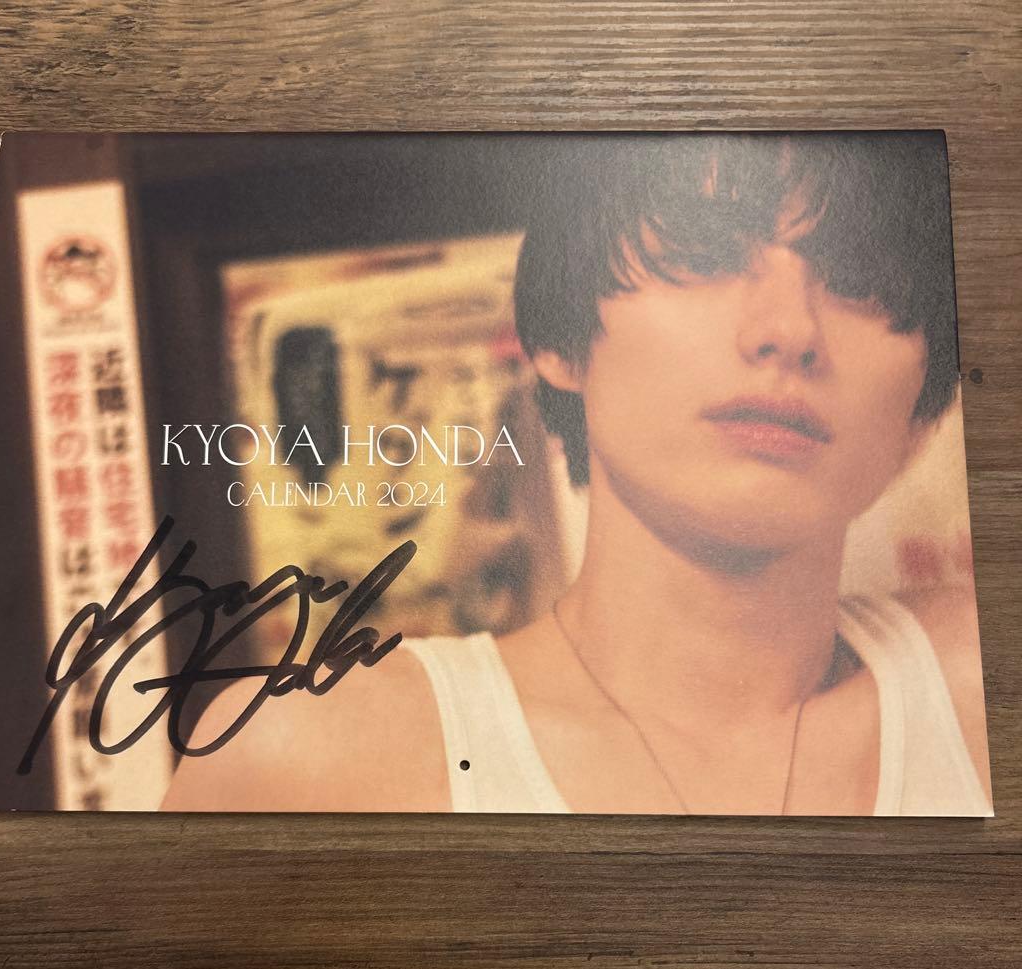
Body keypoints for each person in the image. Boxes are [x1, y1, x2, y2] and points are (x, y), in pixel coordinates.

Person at [161, 133, 993, 815]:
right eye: (705, 252)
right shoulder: (315, 761)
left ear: (924, 412)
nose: (788, 330)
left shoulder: (980, 695)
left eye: (860, 279)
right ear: (561, 338)